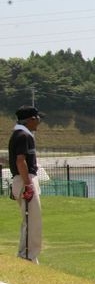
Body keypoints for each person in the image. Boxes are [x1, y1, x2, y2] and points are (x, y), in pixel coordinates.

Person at [8, 105, 43, 263]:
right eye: (37, 117)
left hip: (22, 179)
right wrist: (28, 185)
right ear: (31, 119)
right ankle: (27, 257)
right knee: (32, 220)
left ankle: (27, 255)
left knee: (29, 220)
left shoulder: (19, 134)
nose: (39, 120)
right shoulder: (23, 135)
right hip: (25, 179)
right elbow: (20, 161)